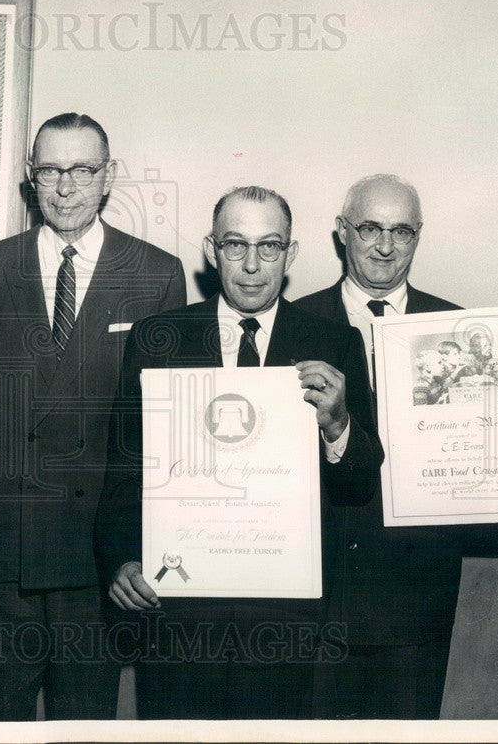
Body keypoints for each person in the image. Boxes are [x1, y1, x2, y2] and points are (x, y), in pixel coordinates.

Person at [95, 185, 383, 719]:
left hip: (284, 621)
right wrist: (121, 560)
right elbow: (123, 473)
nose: (252, 265)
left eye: (269, 246)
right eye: (235, 245)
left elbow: (360, 483)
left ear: (290, 254)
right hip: (177, 617)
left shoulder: (335, 344)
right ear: (211, 249)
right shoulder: (159, 337)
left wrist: (339, 424)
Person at [292, 173, 498, 719]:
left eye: (402, 231)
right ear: (342, 232)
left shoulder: (464, 328)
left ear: (419, 236)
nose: (385, 246)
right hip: (317, 597)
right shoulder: (290, 326)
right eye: (369, 228)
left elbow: (493, 460)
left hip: (415, 597)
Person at [0, 113, 187, 720]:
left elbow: (159, 437)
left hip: (96, 565)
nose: (65, 186)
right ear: (31, 179)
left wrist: (136, 550)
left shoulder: (156, 274)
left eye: (82, 169)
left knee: (84, 730)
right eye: (50, 170)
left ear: (107, 177)